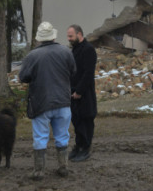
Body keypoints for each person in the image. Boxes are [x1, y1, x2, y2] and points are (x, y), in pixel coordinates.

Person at [18, 21, 76, 179]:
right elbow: (73, 72)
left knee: (40, 137)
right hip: (63, 100)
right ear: (53, 36)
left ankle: (39, 171)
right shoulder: (66, 52)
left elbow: (23, 77)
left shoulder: (32, 56)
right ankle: (63, 167)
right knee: (62, 135)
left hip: (41, 103)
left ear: (39, 38)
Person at [66, 24, 98, 162]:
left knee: (86, 120)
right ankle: (79, 146)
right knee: (77, 120)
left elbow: (88, 73)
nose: (69, 39)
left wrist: (79, 91)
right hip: (73, 92)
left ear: (79, 34)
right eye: (68, 36)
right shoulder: (75, 50)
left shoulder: (88, 50)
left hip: (84, 94)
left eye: (71, 36)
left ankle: (85, 148)